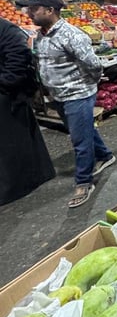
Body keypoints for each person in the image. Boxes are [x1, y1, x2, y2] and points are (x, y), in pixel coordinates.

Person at [19, 0, 115, 208]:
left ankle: (83, 182)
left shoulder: (72, 35)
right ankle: (105, 155)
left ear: (50, 10)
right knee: (82, 131)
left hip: (77, 94)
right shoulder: (41, 35)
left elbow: (93, 64)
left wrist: (86, 85)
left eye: (34, 9)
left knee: (79, 141)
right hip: (58, 95)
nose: (29, 13)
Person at [0, 18, 55, 205]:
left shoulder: (5, 29)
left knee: (13, 144)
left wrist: (5, 83)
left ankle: (20, 185)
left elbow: (19, 57)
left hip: (8, 97)